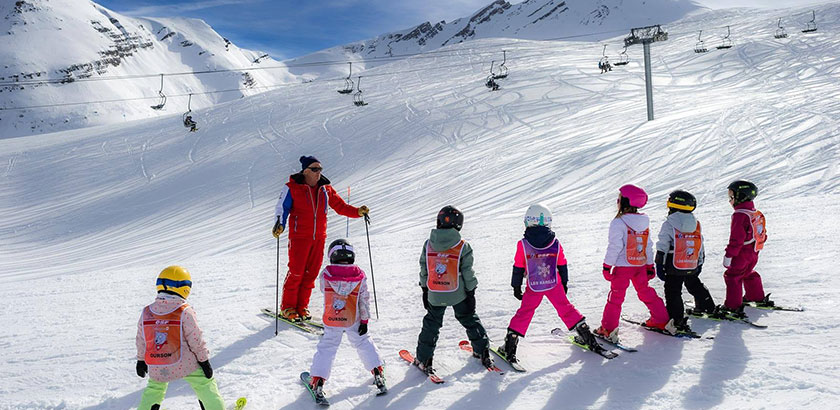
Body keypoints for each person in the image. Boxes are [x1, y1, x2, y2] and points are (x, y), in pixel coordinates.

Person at [272, 156, 369, 323]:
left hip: (319, 237)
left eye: (320, 169)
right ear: (305, 171)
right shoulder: (292, 188)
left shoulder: (325, 189)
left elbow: (340, 206)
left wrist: (357, 212)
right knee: (296, 272)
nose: (318, 173)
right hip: (299, 237)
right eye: (315, 169)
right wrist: (279, 224)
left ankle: (302, 306)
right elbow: (282, 207)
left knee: (311, 273)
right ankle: (287, 307)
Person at [500, 204, 600, 363]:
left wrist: (516, 286)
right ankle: (587, 336)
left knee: (525, 312)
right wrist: (565, 283)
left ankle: (510, 346)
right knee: (566, 308)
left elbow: (518, 266)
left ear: (528, 221)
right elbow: (562, 263)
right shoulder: (555, 242)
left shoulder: (523, 244)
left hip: (534, 286)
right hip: (554, 284)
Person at [414, 205, 493, 374]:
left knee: (432, 324)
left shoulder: (428, 245)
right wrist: (471, 292)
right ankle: (482, 350)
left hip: (435, 292)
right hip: (457, 293)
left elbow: (424, 268)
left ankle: (423, 358)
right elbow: (467, 272)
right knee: (469, 318)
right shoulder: (462, 245)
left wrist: (424, 289)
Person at [135, 266, 225, 410]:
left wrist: (141, 360)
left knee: (154, 389)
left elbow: (141, 339)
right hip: (185, 363)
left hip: (157, 364)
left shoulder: (147, 311)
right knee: (205, 384)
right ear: (184, 288)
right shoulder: (184, 310)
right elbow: (196, 339)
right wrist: (204, 361)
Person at [306, 239, 385, 400]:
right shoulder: (359, 275)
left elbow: (323, 289)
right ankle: (377, 370)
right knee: (363, 341)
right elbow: (364, 298)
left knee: (327, 347)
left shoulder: (326, 274)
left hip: (331, 318)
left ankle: (318, 380)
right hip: (353, 317)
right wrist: (364, 320)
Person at [595, 184, 671, 343]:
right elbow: (647, 245)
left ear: (624, 202)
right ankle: (662, 319)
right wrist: (650, 265)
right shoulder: (644, 221)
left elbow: (615, 246)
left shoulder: (618, 222)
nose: (617, 201)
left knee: (615, 298)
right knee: (646, 292)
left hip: (623, 267)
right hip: (640, 265)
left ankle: (608, 329)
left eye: (619, 199)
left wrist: (607, 266)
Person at [654, 190, 716, 334]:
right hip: (691, 262)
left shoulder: (669, 224)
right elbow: (700, 245)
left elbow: (663, 245)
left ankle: (676, 320)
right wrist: (699, 262)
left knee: (673, 291)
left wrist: (659, 264)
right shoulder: (696, 223)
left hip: (673, 264)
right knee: (694, 284)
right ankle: (707, 306)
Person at [718, 180, 772, 317]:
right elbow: (763, 235)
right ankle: (756, 296)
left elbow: (736, 240)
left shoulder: (740, 215)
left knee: (733, 277)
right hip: (754, 252)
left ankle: (732, 306)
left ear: (741, 196)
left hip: (742, 254)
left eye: (732, 196)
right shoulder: (755, 213)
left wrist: (729, 256)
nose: (730, 200)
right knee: (748, 273)